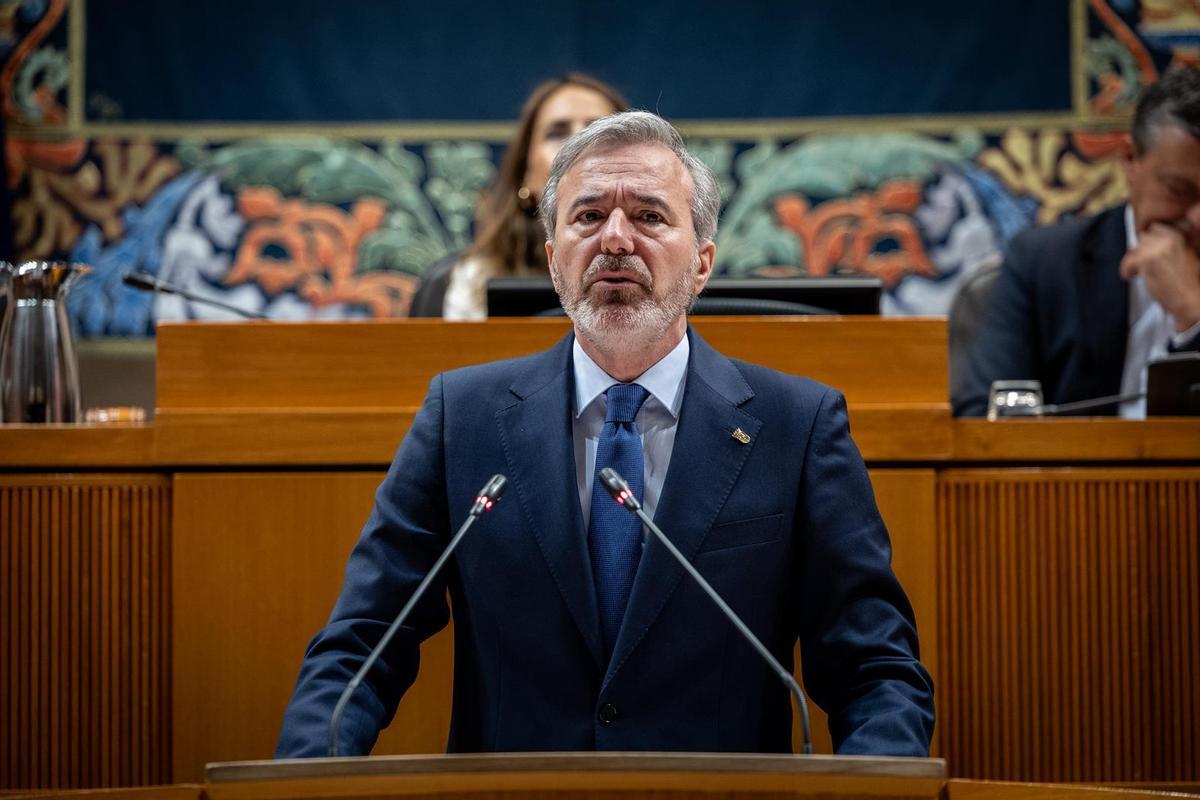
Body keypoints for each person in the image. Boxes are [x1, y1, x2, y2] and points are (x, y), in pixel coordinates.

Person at [276, 111, 935, 758]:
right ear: (554, 260)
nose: (616, 239)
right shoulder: (463, 417)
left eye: (649, 216)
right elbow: (362, 646)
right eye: (588, 217)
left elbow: (874, 671)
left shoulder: (798, 426)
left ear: (703, 263)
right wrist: (299, 780)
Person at [954, 67, 1200, 417]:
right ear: (1130, 160)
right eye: (1179, 190)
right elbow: (983, 421)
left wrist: (1193, 317)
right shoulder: (1042, 264)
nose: (1197, 219)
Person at [409, 74, 628, 319]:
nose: (577, 144)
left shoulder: (669, 276)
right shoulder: (464, 286)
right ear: (526, 173)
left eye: (597, 130)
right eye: (557, 133)